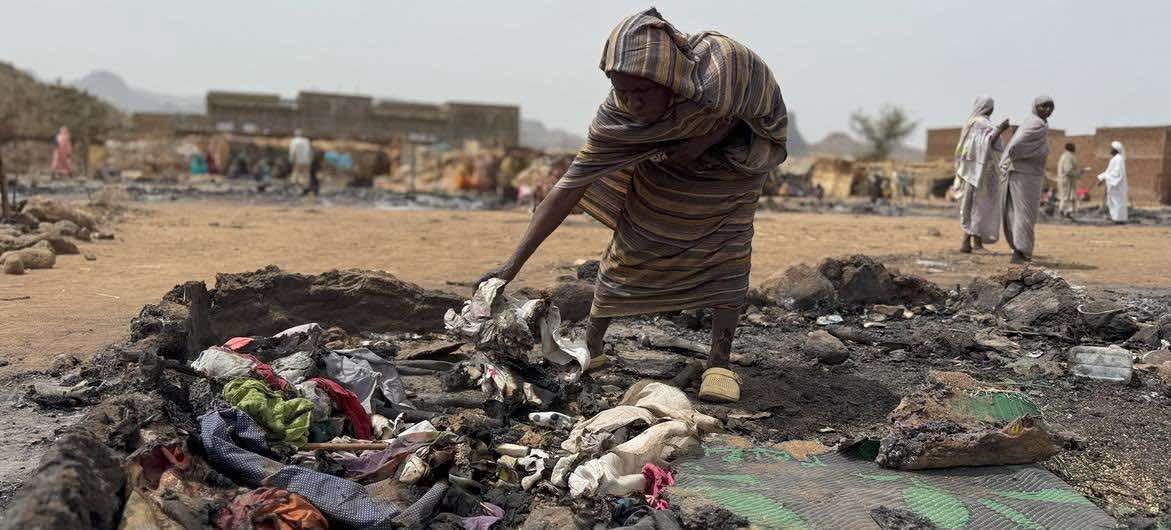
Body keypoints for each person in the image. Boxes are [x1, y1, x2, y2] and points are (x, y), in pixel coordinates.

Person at [479, 8, 788, 403]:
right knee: (629, 247)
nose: (631, 102)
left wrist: (705, 142)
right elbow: (568, 188)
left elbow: (764, 112)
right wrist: (510, 267)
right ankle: (593, 346)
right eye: (621, 90)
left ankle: (719, 362)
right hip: (662, 166)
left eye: (642, 92)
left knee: (726, 252)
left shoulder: (723, 70)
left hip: (731, 167)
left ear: (668, 79)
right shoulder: (617, 117)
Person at [999, 96, 1054, 263]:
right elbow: (1016, 148)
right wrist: (1034, 154)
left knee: (1020, 213)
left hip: (1026, 173)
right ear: (1035, 107)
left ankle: (1019, 250)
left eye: (1051, 106)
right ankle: (1020, 252)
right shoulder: (1035, 123)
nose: (1048, 110)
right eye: (1043, 106)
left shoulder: (1036, 122)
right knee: (1025, 214)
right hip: (1024, 173)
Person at [954, 96, 1010, 252]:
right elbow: (985, 143)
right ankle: (972, 244)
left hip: (972, 172)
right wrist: (1000, 129)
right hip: (980, 173)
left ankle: (969, 243)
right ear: (988, 107)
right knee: (978, 205)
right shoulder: (980, 123)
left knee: (973, 205)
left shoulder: (971, 122)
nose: (993, 109)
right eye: (992, 106)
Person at [1097, 141, 1128, 223]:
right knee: (1112, 202)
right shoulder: (1114, 159)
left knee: (1118, 203)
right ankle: (1115, 218)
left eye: (1111, 148)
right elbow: (1108, 172)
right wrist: (1101, 179)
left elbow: (1117, 173)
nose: (1110, 150)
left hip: (1117, 186)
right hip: (1113, 185)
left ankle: (1119, 219)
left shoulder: (1119, 159)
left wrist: (1106, 177)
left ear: (1116, 149)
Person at [1055, 143, 1082, 218]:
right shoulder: (1068, 156)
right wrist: (1077, 173)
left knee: (1066, 196)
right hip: (1066, 180)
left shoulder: (1065, 156)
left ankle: (1064, 212)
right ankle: (1064, 212)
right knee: (1066, 197)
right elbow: (1068, 170)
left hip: (1066, 179)